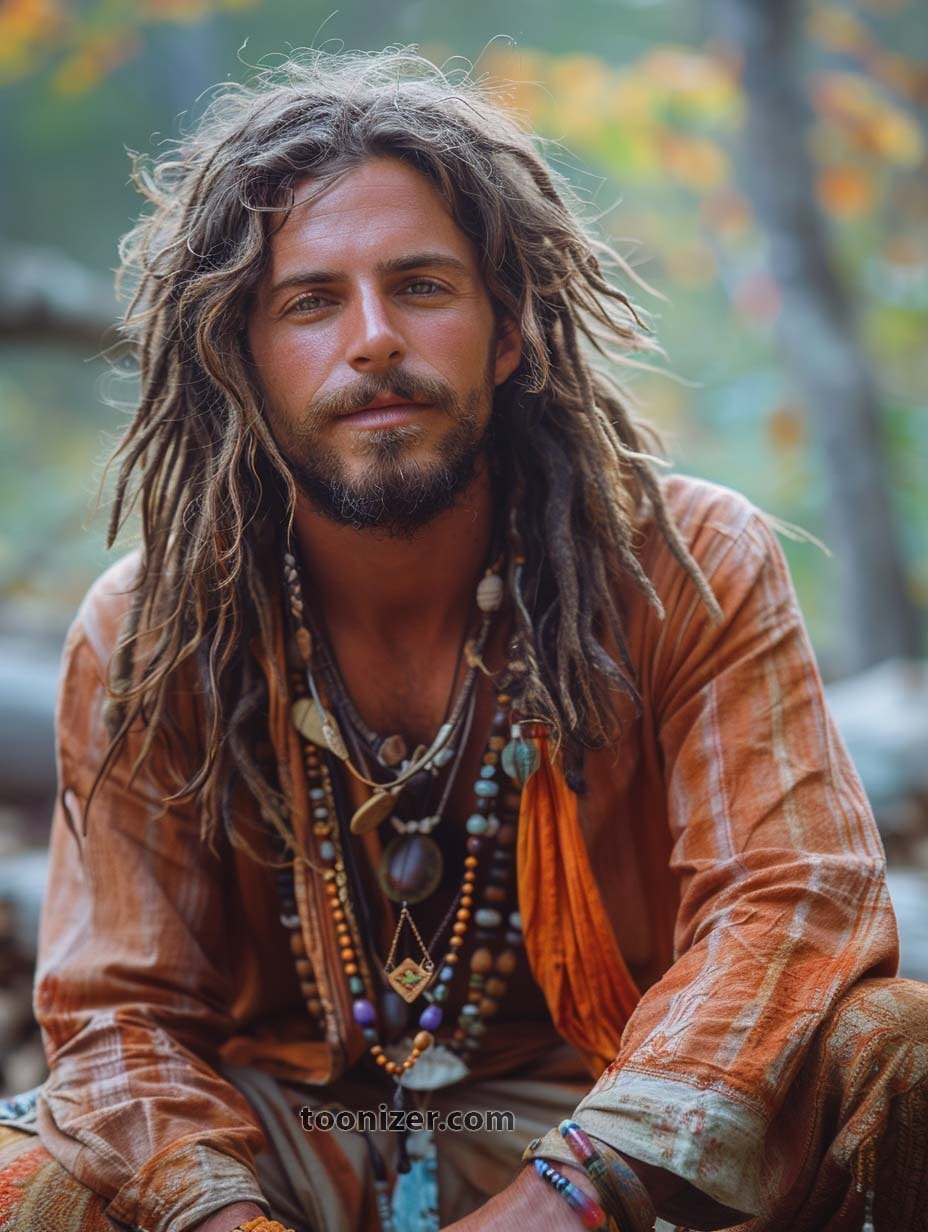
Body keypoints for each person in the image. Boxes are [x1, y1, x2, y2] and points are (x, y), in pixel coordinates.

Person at [0, 48, 925, 1232]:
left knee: (893, 1046)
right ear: (243, 358)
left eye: (422, 286)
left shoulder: (685, 561)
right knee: (41, 1178)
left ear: (506, 331)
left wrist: (576, 1188)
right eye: (312, 300)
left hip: (613, 1111)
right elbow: (120, 1018)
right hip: (304, 1133)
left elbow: (794, 900)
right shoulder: (148, 630)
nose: (374, 338)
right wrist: (224, 1217)